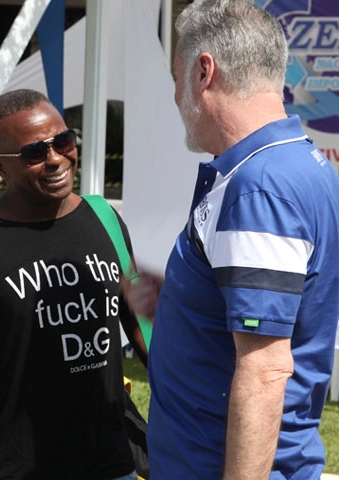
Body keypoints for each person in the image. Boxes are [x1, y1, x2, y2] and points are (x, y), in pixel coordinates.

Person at [126, 0, 339, 478]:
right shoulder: (293, 165)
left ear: (204, 72)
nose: (175, 94)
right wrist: (183, 302)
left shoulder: (260, 186)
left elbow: (264, 371)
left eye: (176, 76)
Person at [0, 88, 147, 480]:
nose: (55, 159)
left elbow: (140, 328)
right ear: (1, 168)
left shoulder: (106, 220)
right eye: (34, 153)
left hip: (111, 464)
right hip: (16, 468)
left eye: (63, 141)